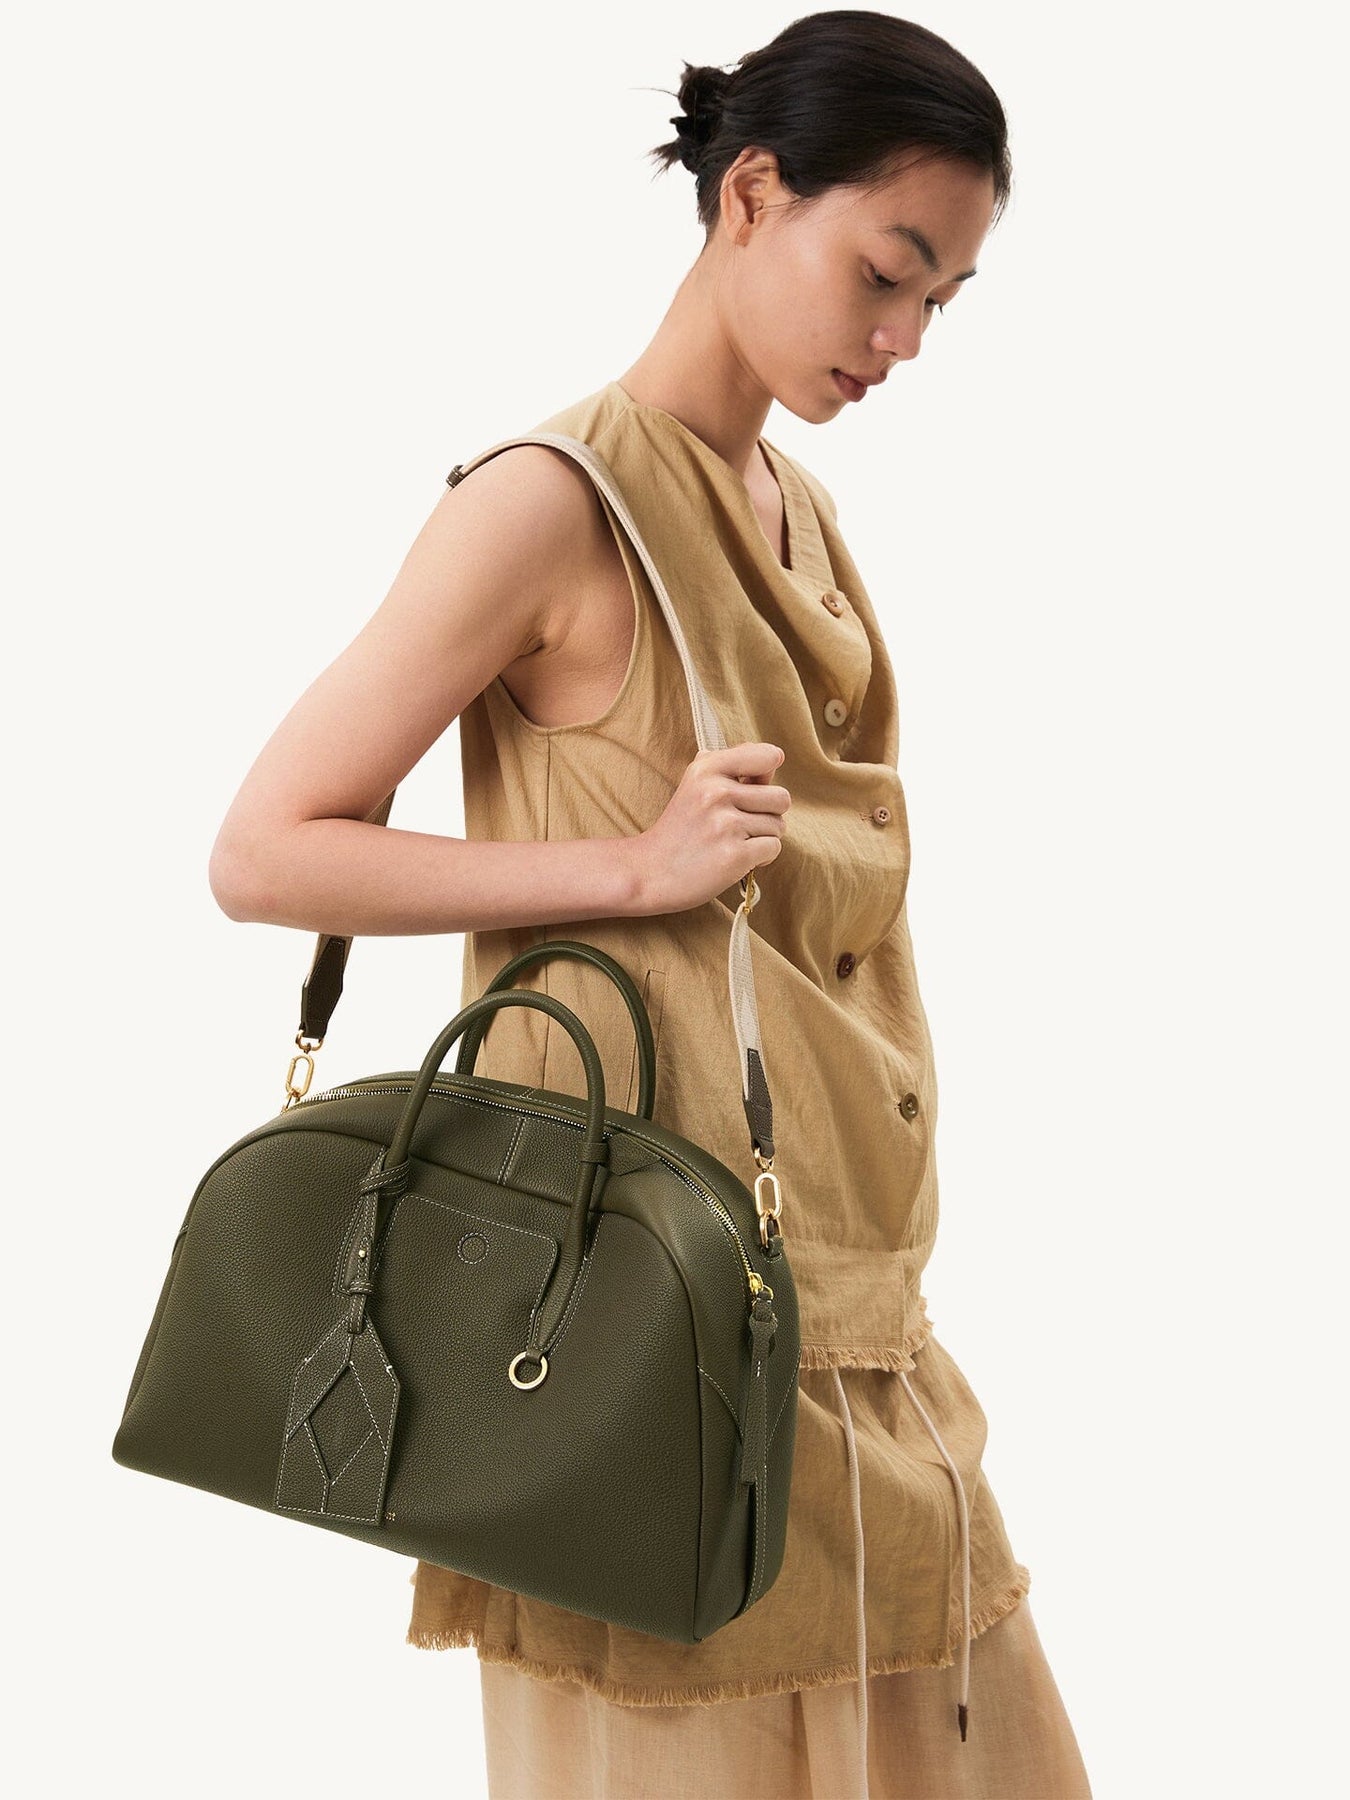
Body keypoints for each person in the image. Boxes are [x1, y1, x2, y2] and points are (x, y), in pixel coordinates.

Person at [209, 11, 1094, 1797]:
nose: (906, 340)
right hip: (629, 1340)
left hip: (844, 1316)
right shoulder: (548, 505)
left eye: (944, 300)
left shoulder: (799, 512)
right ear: (750, 194)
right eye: (884, 273)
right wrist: (626, 868)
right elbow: (266, 849)